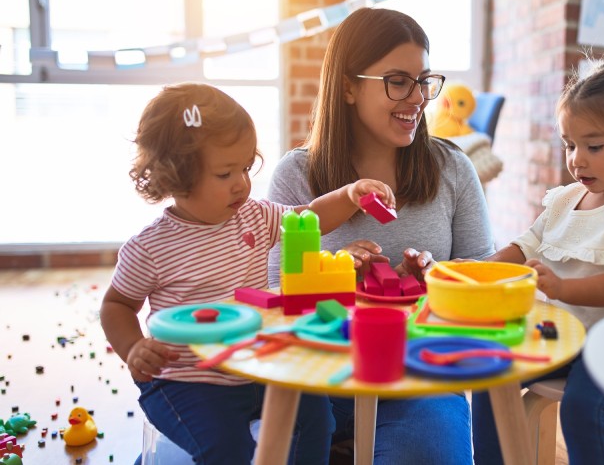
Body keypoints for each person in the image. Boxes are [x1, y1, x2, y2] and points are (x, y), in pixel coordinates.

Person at [99, 82, 395, 465]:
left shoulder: (254, 216)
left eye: (245, 167)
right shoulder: (150, 248)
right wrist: (133, 348)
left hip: (254, 365)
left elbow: (309, 219)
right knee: (228, 449)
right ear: (176, 176)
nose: (241, 182)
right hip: (184, 381)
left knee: (316, 415)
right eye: (224, 174)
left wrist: (349, 194)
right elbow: (116, 304)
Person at [266, 7, 495, 464]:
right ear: (348, 86)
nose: (417, 98)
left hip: (417, 376)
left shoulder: (453, 168)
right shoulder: (296, 174)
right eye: (397, 81)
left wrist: (438, 276)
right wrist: (331, 275)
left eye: (423, 81)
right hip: (319, 374)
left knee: (430, 451)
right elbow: (275, 292)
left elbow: (480, 273)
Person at [471, 42, 604, 464]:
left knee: (581, 409)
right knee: (488, 378)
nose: (576, 159)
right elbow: (525, 244)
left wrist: (563, 287)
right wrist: (478, 269)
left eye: (594, 146)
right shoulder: (566, 198)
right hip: (564, 337)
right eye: (570, 145)